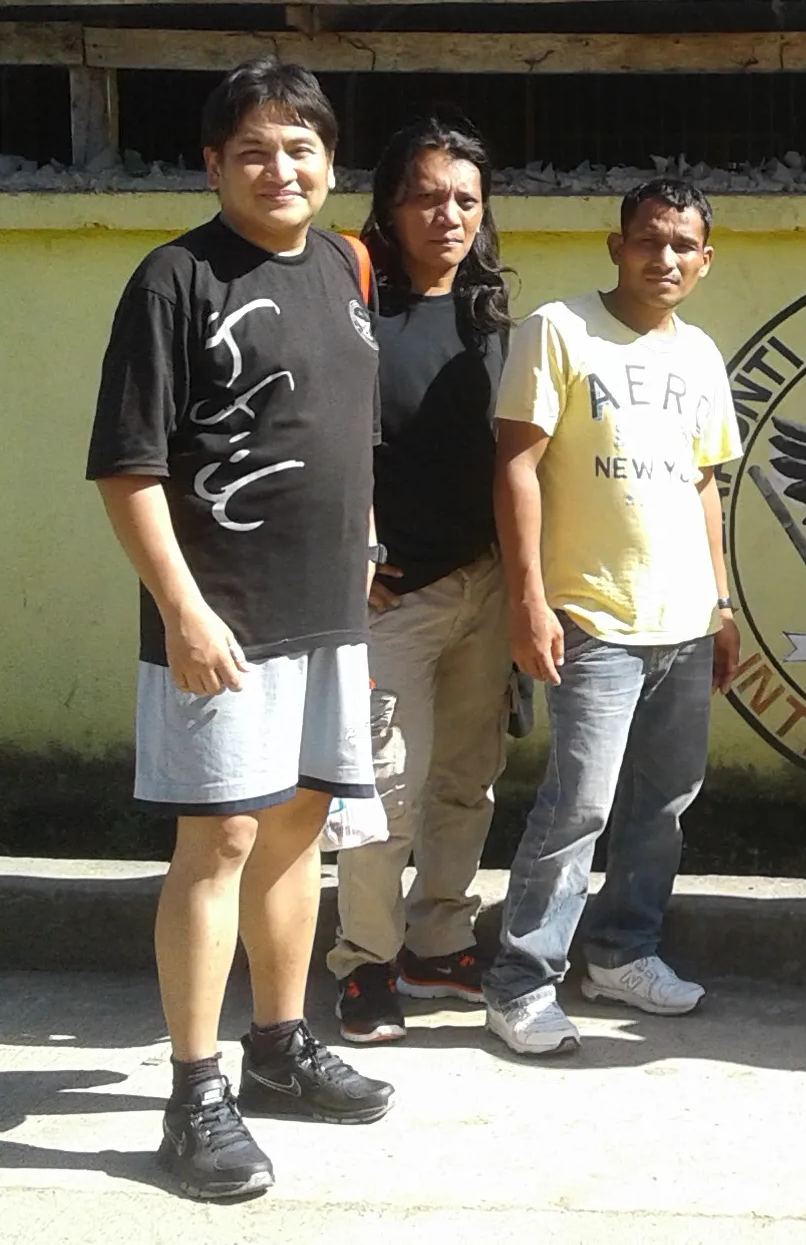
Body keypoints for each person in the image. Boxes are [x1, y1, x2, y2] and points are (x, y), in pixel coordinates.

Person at [86, 59, 393, 1201]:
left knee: (300, 831)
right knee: (215, 842)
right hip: (219, 621)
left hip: (326, 618)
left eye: (302, 146)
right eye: (256, 149)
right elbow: (129, 466)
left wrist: (361, 550)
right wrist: (182, 610)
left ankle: (280, 1044)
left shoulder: (347, 266)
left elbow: (345, 430)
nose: (283, 168)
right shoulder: (173, 280)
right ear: (212, 163)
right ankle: (193, 1092)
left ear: (329, 160)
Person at [481, 177, 742, 1055]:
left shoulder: (701, 355)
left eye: (681, 246)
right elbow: (517, 468)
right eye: (648, 240)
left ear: (705, 260)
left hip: (682, 618)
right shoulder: (558, 331)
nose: (662, 258)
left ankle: (622, 952)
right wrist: (528, 601)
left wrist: (722, 601)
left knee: (663, 803)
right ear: (616, 246)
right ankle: (522, 980)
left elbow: (704, 482)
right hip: (591, 614)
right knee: (578, 806)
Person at [326, 117, 515, 1044]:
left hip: (487, 588)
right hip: (394, 598)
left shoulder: (494, 319)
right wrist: (351, 559)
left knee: (467, 779)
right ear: (391, 208)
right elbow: (324, 447)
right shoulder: (354, 313)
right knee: (383, 788)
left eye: (466, 201)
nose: (449, 216)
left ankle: (439, 942)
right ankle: (364, 962)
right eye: (429, 196)